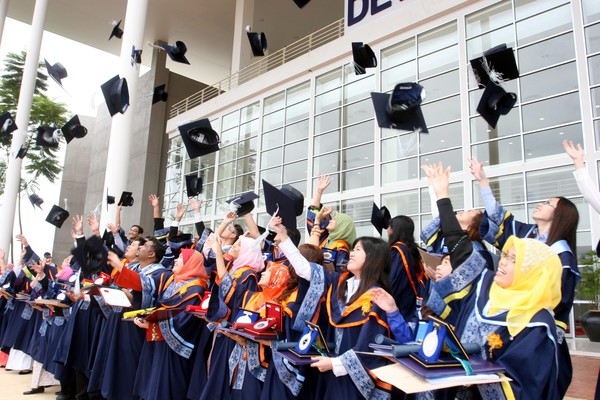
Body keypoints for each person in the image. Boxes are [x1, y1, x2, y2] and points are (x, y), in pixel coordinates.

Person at [426, 161, 562, 399]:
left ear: (533, 273)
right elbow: (458, 243)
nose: (503, 263)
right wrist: (441, 196)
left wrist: (476, 375)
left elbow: (526, 387)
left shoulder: (537, 325)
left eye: (513, 260)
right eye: (505, 256)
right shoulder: (485, 289)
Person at [470, 156, 579, 397]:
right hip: (508, 319)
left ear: (561, 215)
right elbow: (500, 219)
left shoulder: (563, 258)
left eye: (548, 203)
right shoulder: (526, 235)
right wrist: (483, 181)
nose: (541, 204)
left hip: (531, 328)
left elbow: (558, 306)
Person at [272, 221, 393, 400]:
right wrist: (284, 238)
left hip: (354, 380)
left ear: (373, 258)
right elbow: (306, 269)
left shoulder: (377, 297)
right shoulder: (340, 283)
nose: (351, 253)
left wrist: (335, 363)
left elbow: (370, 347)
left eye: (358, 250)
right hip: (331, 371)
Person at [306, 174, 356, 272]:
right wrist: (319, 192)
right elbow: (314, 219)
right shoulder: (326, 240)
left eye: (334, 219)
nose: (330, 220)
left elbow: (340, 275)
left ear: (342, 226)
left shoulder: (341, 247)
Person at [387, 215, 425, 331]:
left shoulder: (398, 251)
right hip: (412, 304)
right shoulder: (414, 250)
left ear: (394, 230)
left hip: (401, 306)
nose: (387, 230)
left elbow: (393, 281)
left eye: (389, 226)